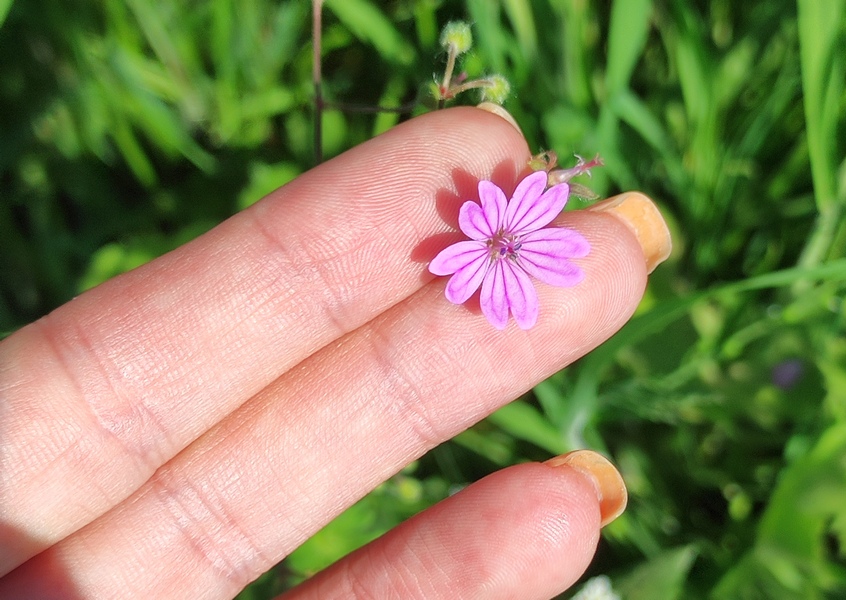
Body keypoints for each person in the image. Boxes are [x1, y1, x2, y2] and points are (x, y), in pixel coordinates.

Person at [0, 104, 671, 599]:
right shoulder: (485, 234)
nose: (501, 243)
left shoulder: (504, 248)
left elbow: (499, 237)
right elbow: (482, 224)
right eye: (498, 238)